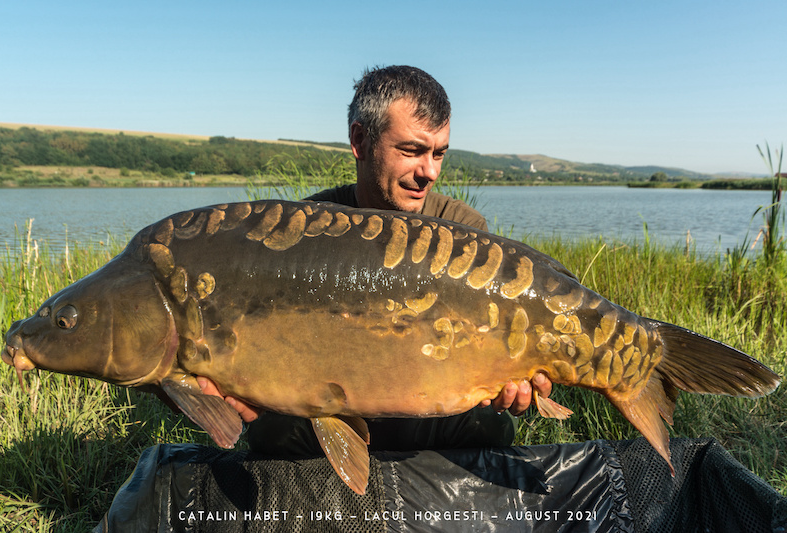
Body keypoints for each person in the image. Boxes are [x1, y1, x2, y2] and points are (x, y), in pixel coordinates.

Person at [198, 65, 553, 453]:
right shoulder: (303, 229)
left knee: (489, 424)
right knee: (272, 430)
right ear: (360, 140)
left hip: (425, 411)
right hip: (328, 409)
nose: (429, 172)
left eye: (439, 153)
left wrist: (514, 380)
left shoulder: (462, 230)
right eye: (412, 150)